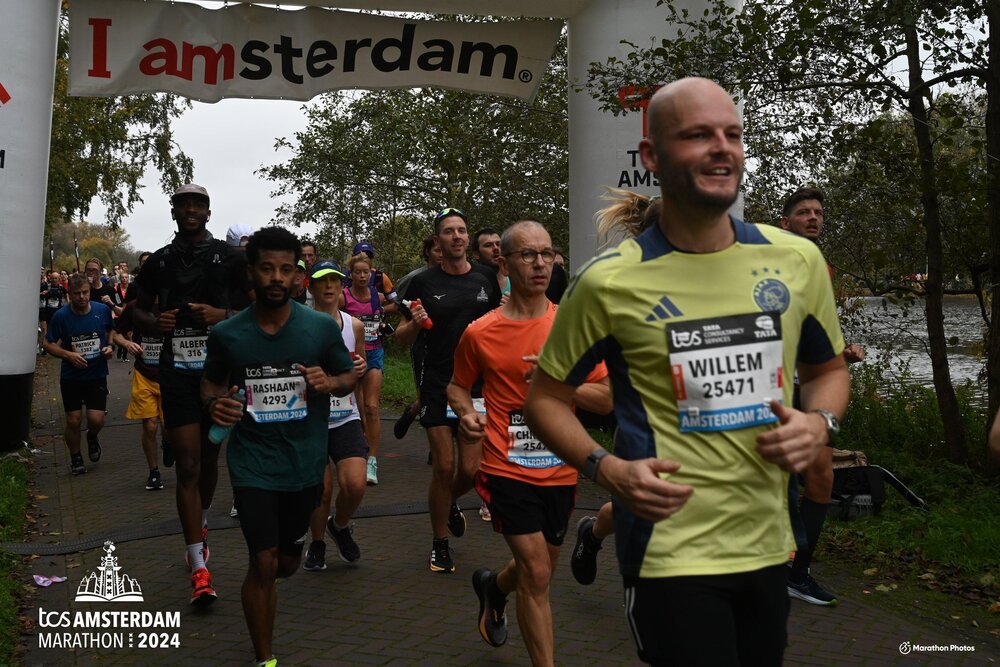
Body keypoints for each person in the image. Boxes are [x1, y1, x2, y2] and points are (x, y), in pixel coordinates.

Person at [524, 77, 851, 666]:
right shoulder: (607, 281)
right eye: (698, 135)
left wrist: (819, 421)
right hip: (667, 549)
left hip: (766, 544)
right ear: (652, 155)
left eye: (732, 134)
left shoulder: (796, 260)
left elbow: (827, 370)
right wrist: (606, 468)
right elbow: (545, 398)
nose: (721, 147)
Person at [449, 220, 610, 665]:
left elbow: (607, 397)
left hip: (560, 467)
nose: (540, 263)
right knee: (537, 573)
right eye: (528, 254)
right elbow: (457, 386)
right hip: (504, 466)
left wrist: (562, 383)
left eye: (547, 253)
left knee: (537, 569)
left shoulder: (573, 327)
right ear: (504, 263)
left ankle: (494, 588)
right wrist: (467, 414)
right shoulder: (481, 332)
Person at [202, 227, 356, 667]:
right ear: (251, 272)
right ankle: (264, 658)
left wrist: (330, 381)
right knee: (263, 562)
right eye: (267, 268)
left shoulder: (319, 328)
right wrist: (214, 404)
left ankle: (293, 553)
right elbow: (210, 382)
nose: (276, 277)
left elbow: (349, 376)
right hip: (252, 465)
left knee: (286, 562)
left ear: (297, 276)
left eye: (285, 269)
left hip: (304, 465)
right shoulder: (228, 334)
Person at [135, 183, 250, 605]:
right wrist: (153, 323)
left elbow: (260, 308)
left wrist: (222, 315)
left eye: (198, 204)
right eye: (183, 204)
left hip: (219, 374)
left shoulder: (230, 258)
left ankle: (199, 523)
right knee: (187, 464)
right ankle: (198, 564)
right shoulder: (160, 261)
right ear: (173, 212)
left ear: (208, 212)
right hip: (177, 374)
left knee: (208, 460)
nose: (190, 210)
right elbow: (134, 309)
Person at [396, 207, 502, 573]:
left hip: (476, 386)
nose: (456, 236)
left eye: (461, 230)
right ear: (438, 242)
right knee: (443, 466)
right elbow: (401, 337)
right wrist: (415, 323)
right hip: (438, 382)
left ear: (467, 238)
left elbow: (500, 325)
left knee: (470, 471)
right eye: (448, 231)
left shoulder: (486, 278)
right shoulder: (422, 282)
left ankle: (448, 502)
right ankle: (439, 543)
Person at [778, 186, 865, 607]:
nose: (813, 218)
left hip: (810, 386)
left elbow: (818, 329)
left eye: (818, 212)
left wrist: (840, 352)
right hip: (775, 385)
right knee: (774, 479)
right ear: (785, 222)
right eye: (804, 212)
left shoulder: (822, 268)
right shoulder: (769, 262)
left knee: (821, 478)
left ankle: (797, 573)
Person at [301, 260, 369, 570]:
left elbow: (358, 374)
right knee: (322, 489)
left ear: (342, 286)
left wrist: (360, 371)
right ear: (310, 286)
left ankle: (339, 526)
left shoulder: (354, 326)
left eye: (334, 280)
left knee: (355, 484)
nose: (329, 286)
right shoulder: (299, 325)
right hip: (311, 418)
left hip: (346, 415)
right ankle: (316, 543)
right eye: (322, 281)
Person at [41, 274, 117, 475]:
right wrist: (68, 355)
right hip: (71, 377)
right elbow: (47, 344)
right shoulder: (61, 316)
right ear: (70, 294)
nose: (82, 297)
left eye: (85, 292)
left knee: (96, 420)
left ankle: (92, 436)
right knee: (73, 420)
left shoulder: (101, 310)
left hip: (96, 374)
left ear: (90, 291)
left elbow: (111, 330)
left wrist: (110, 346)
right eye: (77, 294)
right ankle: (76, 457)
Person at [340, 252, 386, 485]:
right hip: (351, 355)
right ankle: (358, 447)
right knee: (357, 408)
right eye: (357, 272)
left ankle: (372, 460)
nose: (361, 276)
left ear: (371, 273)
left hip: (374, 353)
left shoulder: (377, 296)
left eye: (365, 272)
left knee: (371, 406)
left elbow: (386, 313)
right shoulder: (344, 297)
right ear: (351, 274)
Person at [393, 236, 443, 440]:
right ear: (427, 252)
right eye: (437, 250)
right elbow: (402, 309)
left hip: (450, 345)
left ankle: (415, 409)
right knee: (428, 394)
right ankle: (417, 412)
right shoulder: (414, 279)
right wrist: (415, 322)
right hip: (424, 345)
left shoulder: (461, 276)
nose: (442, 254)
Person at [116, 300, 166, 490]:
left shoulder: (174, 303)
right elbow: (116, 334)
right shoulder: (134, 307)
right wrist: (127, 343)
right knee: (150, 426)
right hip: (144, 375)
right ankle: (154, 472)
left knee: (169, 428)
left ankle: (168, 443)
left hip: (170, 376)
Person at [39, 270, 68, 354]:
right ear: (50, 278)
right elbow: (37, 293)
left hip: (56, 311)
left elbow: (66, 294)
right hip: (45, 310)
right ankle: (43, 347)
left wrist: (68, 303)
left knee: (54, 328)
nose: (54, 280)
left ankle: (52, 345)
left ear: (59, 279)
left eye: (56, 278)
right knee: (44, 328)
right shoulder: (45, 286)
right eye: (52, 278)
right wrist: (42, 293)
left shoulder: (61, 287)